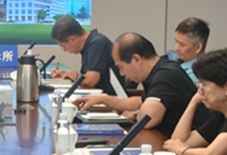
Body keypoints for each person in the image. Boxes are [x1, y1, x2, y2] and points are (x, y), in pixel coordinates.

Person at [72, 33, 210, 137]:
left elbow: (148, 119)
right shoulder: (158, 70)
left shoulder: (165, 75)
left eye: (121, 67)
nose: (121, 73)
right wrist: (102, 99)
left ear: (136, 59)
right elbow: (140, 102)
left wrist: (135, 114)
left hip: (191, 145)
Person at [48, 16, 125, 96]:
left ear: (72, 39)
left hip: (110, 97)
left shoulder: (97, 44)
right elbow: (88, 72)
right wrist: (67, 74)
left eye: (63, 46)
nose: (65, 50)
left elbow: (91, 80)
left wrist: (73, 76)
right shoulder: (90, 44)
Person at [173, 17, 209, 84]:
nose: (176, 48)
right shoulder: (176, 64)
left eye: (182, 44)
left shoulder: (196, 76)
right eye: (176, 42)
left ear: (198, 47)